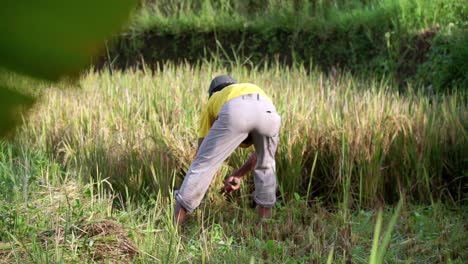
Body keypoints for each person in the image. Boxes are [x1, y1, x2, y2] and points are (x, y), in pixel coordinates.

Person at [174, 75, 281, 224]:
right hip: (269, 112)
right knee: (266, 166)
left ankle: (176, 224)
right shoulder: (249, 89)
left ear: (212, 92)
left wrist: (205, 178)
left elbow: (202, 153)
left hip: (236, 110)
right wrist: (238, 174)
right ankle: (265, 225)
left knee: (203, 164)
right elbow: (259, 154)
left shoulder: (215, 98)